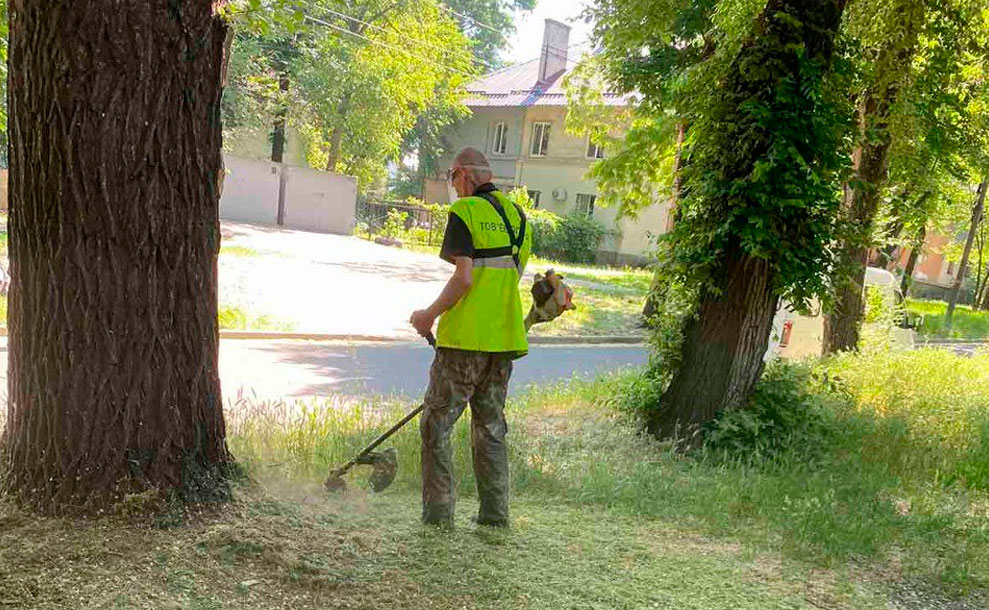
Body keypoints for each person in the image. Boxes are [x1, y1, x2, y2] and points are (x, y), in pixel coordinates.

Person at [409, 146, 532, 527]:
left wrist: (428, 315)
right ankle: (495, 516)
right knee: (491, 428)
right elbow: (508, 278)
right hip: (503, 342)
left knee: (436, 425)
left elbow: (464, 278)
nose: (453, 186)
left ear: (463, 174)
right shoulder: (519, 217)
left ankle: (439, 516)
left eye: (452, 177)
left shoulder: (464, 211)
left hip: (463, 342)